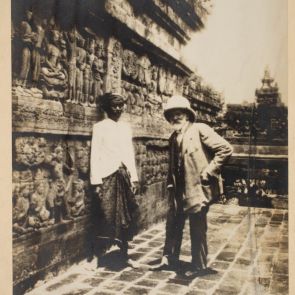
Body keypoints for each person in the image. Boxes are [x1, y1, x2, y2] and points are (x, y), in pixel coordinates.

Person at [151, 95, 233, 277]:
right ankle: (169, 258)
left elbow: (226, 149)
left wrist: (209, 171)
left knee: (197, 226)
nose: (176, 117)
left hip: (196, 186)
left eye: (179, 114)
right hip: (178, 188)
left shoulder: (200, 129)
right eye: (172, 115)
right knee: (173, 223)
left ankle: (199, 266)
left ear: (188, 115)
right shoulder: (173, 137)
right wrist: (171, 184)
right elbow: (174, 164)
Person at [90, 92, 140, 268]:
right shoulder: (100, 127)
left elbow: (128, 154)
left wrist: (134, 178)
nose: (118, 109)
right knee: (106, 215)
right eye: (114, 106)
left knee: (127, 216)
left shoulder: (126, 128)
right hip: (107, 177)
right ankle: (96, 258)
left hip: (123, 176)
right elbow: (95, 155)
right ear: (106, 108)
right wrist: (96, 182)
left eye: (120, 105)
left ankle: (124, 255)